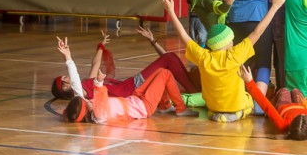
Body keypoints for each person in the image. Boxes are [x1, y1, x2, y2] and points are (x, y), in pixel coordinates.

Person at [161, 0, 287, 122]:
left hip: (213, 106)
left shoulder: (203, 56)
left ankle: (215, 113)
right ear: (227, 42)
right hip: (235, 106)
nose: (233, 41)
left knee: (208, 102)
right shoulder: (235, 54)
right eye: (231, 39)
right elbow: (257, 32)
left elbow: (184, 36)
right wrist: (275, 7)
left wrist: (171, 11)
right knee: (250, 102)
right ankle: (237, 114)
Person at [57, 37, 197, 123]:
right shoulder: (98, 114)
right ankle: (181, 109)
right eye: (85, 102)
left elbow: (76, 82)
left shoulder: (88, 105)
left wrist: (68, 57)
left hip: (134, 98)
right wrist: (99, 82)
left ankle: (165, 106)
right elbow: (98, 94)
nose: (87, 100)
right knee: (165, 73)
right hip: (143, 107)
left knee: (160, 72)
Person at [51, 31, 200, 100]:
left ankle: (194, 93)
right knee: (170, 58)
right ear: (65, 86)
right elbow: (76, 83)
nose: (69, 78)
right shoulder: (81, 93)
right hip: (133, 88)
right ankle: (195, 94)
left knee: (171, 62)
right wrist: (67, 57)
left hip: (132, 84)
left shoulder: (86, 84)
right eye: (66, 78)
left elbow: (95, 64)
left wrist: (101, 47)